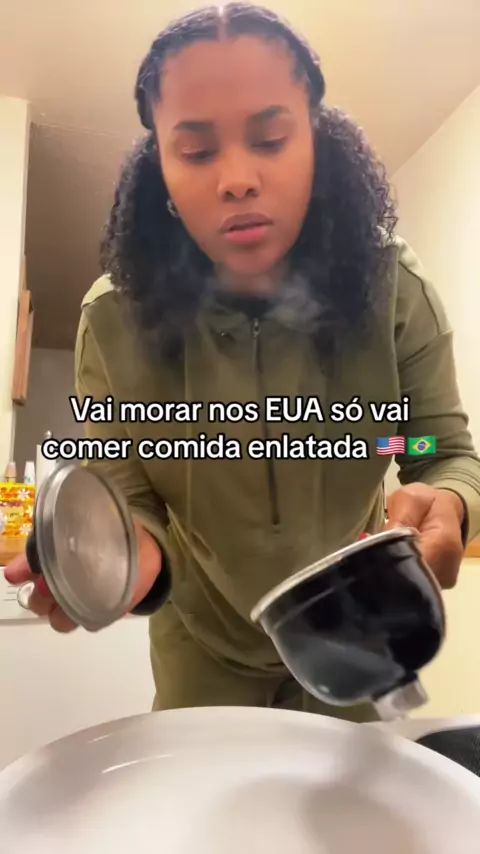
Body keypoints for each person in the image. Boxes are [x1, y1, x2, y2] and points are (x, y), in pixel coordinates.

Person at [6, 3, 480, 722]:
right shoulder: (113, 322)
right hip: (203, 653)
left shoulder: (393, 293)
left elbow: (436, 450)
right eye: (196, 151)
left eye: (271, 137)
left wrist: (449, 501)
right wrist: (124, 556)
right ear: (161, 169)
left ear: (316, 140)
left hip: (357, 633)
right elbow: (128, 489)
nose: (236, 178)